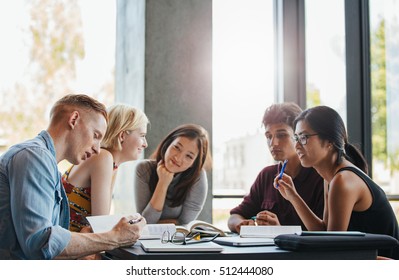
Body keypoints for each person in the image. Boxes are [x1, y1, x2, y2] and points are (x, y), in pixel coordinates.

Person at [0, 94, 146, 259]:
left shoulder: (45, 162)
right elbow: (41, 244)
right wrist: (115, 238)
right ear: (74, 119)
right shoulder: (34, 157)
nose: (98, 149)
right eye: (96, 135)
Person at [275, 105, 399, 259]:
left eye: (304, 137)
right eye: (296, 138)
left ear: (329, 141)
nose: (297, 145)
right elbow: (325, 233)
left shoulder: (343, 180)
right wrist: (293, 196)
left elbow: (332, 249)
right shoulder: (332, 179)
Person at [228, 103, 324, 233]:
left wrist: (280, 231)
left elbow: (323, 233)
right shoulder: (267, 175)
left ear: (299, 135)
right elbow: (234, 217)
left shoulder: (320, 177)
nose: (273, 143)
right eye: (269, 136)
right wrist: (240, 224)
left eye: (281, 135)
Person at [62, 104, 149, 232]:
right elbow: (100, 224)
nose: (145, 144)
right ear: (122, 136)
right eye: (142, 135)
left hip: (76, 241)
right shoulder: (103, 157)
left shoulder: (111, 163)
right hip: (70, 245)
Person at [134, 124, 211, 225]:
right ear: (168, 144)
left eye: (189, 156)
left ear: (194, 163)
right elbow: (145, 223)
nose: (178, 158)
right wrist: (163, 182)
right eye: (177, 148)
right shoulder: (144, 169)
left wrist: (157, 223)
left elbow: (185, 224)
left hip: (178, 239)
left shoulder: (198, 177)